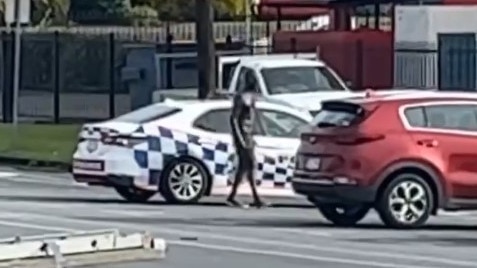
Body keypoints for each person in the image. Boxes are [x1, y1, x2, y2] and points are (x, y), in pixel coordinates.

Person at [226, 71, 268, 208]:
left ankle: (235, 196)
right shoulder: (241, 98)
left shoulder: (251, 97)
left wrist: (259, 131)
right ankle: (254, 197)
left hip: (248, 135)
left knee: (245, 167)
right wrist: (240, 138)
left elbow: (254, 117)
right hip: (242, 136)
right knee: (249, 164)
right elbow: (234, 119)